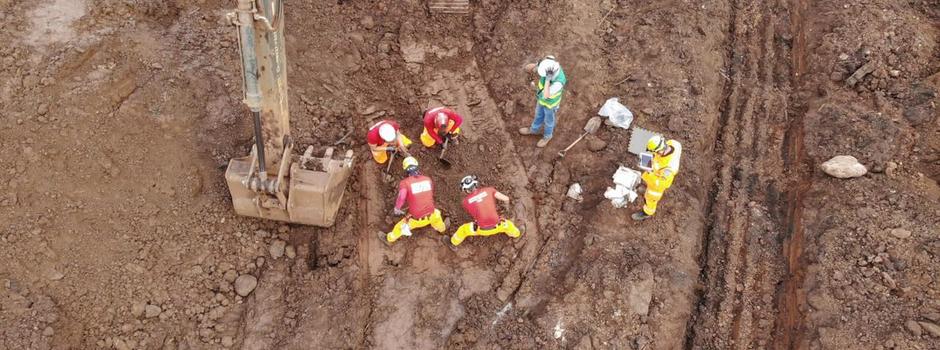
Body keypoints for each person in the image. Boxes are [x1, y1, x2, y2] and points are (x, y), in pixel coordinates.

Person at [382, 157, 447, 243]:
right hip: (432, 214)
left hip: (416, 219)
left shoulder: (405, 183)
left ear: (405, 170)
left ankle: (389, 239)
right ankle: (442, 230)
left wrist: (397, 208)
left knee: (399, 227)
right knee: (438, 217)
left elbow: (401, 197)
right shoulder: (427, 179)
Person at [450, 175, 521, 246]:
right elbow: (506, 199)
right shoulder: (489, 190)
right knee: (509, 225)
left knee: (462, 230)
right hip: (498, 226)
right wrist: (506, 209)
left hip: (480, 230)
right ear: (476, 184)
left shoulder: (465, 202)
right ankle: (517, 234)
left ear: (465, 190)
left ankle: (453, 243)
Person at [518, 55, 567, 148]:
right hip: (541, 101)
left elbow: (546, 95)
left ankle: (547, 136)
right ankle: (533, 130)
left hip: (550, 104)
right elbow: (538, 65)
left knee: (548, 121)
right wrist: (534, 68)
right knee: (538, 115)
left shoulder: (558, 83)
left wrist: (540, 84)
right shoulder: (549, 64)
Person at [633, 135, 682, 221]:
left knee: (650, 198)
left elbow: (660, 184)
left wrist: (649, 171)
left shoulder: (669, 170)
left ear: (660, 150)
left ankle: (647, 213)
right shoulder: (673, 143)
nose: (655, 154)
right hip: (658, 172)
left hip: (657, 185)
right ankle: (645, 190)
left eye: (656, 152)